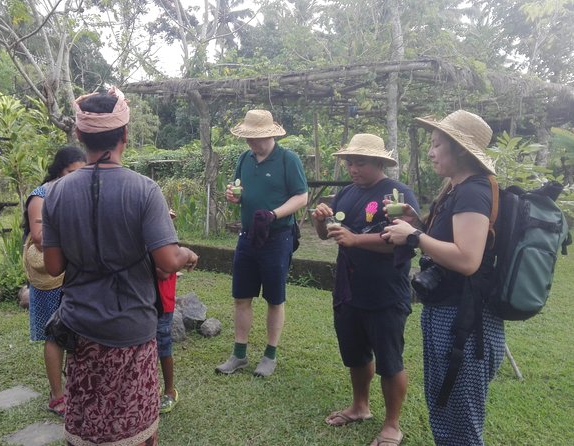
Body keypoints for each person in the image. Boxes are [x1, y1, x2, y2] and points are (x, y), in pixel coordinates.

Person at [42, 87, 198, 446]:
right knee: (135, 428)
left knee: (88, 427)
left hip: (81, 327)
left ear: (80, 136)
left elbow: (53, 267)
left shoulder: (57, 193)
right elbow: (167, 260)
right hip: (132, 327)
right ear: (125, 134)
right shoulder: (145, 191)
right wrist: (187, 254)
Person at [381, 110, 505, 445]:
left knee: (460, 419)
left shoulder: (472, 192)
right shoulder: (455, 189)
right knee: (446, 406)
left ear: (461, 150)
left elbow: (467, 259)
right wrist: (418, 225)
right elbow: (449, 244)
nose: (431, 151)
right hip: (449, 314)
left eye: (437, 145)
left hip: (465, 321)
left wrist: (412, 237)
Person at [311, 134, 418, 446]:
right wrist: (321, 221)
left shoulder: (397, 193)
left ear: (379, 163)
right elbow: (328, 235)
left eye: (360, 162)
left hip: (386, 291)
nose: (353, 168)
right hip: (348, 289)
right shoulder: (345, 193)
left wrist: (356, 239)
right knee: (355, 354)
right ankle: (360, 407)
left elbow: (403, 241)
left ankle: (392, 425)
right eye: (350, 162)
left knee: (390, 359)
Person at [215, 109, 308, 377]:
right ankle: (239, 354)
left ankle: (269, 355)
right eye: (248, 138)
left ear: (269, 134)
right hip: (247, 237)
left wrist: (273, 214)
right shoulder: (245, 158)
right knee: (241, 297)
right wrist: (233, 195)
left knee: (274, 298)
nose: (251, 143)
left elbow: (301, 197)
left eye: (255, 138)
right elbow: (238, 189)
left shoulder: (287, 160)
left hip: (277, 237)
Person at [23, 145, 86, 416]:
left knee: (73, 331)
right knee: (54, 334)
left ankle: (72, 388)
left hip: (72, 273)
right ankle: (57, 396)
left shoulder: (76, 194)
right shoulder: (41, 195)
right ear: (60, 170)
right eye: (71, 172)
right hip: (50, 276)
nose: (76, 178)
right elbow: (38, 236)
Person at [157, 209, 179, 414]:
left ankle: (169, 390)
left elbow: (164, 271)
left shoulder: (168, 243)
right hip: (144, 304)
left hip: (162, 304)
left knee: (163, 346)